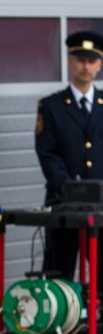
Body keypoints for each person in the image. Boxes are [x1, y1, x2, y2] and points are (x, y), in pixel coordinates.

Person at [36, 31, 103, 283]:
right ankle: (63, 324)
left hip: (101, 206)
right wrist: (70, 189)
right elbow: (47, 152)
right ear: (69, 61)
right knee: (57, 277)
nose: (85, 66)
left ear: (99, 64)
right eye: (80, 59)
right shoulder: (51, 106)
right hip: (62, 203)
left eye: (91, 60)